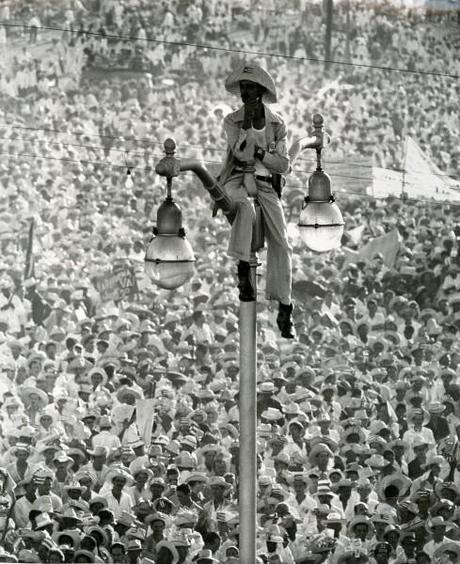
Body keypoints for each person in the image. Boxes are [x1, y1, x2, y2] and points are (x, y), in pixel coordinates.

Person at [218, 62, 295, 339]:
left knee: (282, 243)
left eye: (250, 88)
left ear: (260, 92)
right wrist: (248, 128)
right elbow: (240, 155)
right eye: (242, 88)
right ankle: (242, 268)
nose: (244, 93)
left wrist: (262, 153)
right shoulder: (232, 120)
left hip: (266, 185)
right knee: (245, 210)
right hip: (237, 179)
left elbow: (283, 164)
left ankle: (284, 304)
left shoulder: (277, 123)